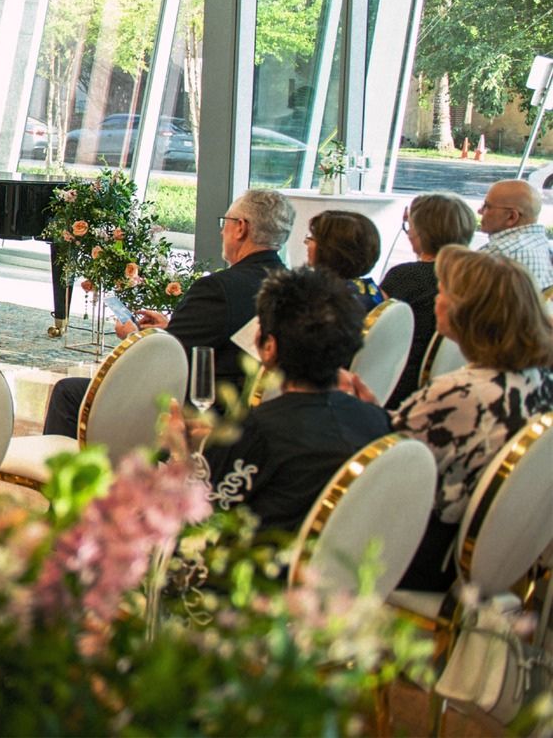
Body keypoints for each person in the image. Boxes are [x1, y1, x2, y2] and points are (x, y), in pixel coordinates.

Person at [346, 245, 553, 591]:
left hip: (423, 550)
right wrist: (370, 410)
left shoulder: (462, 393)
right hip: (503, 546)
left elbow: (380, 462)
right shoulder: (537, 376)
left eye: (442, 291)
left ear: (468, 311)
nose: (436, 300)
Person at [42, 188, 295, 437]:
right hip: (256, 413)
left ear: (241, 227)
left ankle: (74, 477)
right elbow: (219, 339)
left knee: (69, 392)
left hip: (196, 414)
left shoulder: (220, 288)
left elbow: (164, 364)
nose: (221, 230)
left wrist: (135, 337)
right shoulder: (292, 285)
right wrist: (167, 330)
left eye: (225, 222)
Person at [203, 266, 391, 533]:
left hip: (262, 567)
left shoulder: (257, 431)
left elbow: (203, 521)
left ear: (269, 347)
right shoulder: (378, 420)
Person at [380, 192, 475, 409]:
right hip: (455, 382)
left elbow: (376, 332)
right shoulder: (476, 274)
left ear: (422, 233)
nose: (408, 233)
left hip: (398, 382)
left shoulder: (406, 276)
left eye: (410, 226)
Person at [477, 179, 553, 290]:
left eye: (487, 206)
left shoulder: (496, 254)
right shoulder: (542, 246)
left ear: (511, 217)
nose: (480, 211)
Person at [304, 209, 385, 312]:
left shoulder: (320, 300)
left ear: (330, 250)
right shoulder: (375, 293)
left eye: (312, 238)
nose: (307, 243)